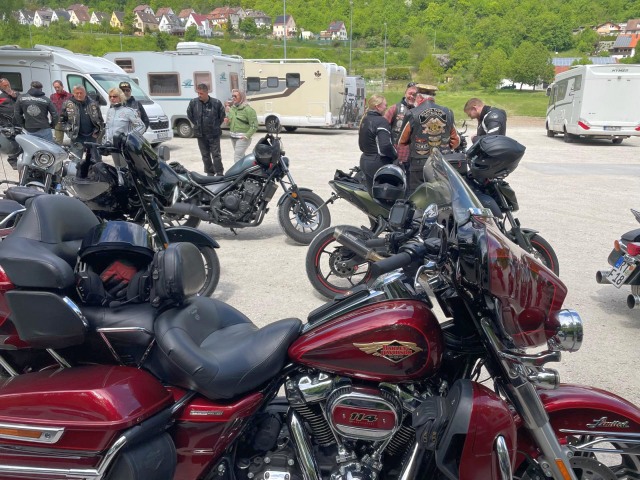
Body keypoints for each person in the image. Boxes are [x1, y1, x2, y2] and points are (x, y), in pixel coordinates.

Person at [398, 84, 459, 193]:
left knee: (417, 196)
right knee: (442, 195)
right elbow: (456, 141)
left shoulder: (412, 113)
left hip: (419, 164)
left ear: (419, 97)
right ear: (433, 97)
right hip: (442, 163)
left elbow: (401, 141)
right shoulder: (448, 112)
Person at [59, 85, 105, 178]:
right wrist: (69, 131)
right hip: (77, 137)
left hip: (92, 137)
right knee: (75, 160)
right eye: (77, 93)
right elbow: (62, 120)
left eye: (81, 93)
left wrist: (97, 131)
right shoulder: (67, 104)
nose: (79, 95)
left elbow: (100, 120)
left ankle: (96, 178)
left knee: (96, 159)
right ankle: (74, 179)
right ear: (73, 93)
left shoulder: (93, 104)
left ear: (85, 93)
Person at [358, 94, 397, 193]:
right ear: (378, 106)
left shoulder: (365, 119)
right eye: (385, 105)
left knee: (373, 195)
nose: (386, 108)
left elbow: (361, 145)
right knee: (388, 195)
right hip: (378, 163)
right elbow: (385, 146)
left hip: (364, 161)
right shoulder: (381, 121)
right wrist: (395, 155)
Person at [187, 83, 226, 176]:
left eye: (201, 93)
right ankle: (210, 172)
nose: (199, 95)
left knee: (216, 155)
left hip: (214, 134)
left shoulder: (216, 103)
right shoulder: (193, 103)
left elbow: (222, 116)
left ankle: (219, 173)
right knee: (205, 155)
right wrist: (197, 124)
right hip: (201, 134)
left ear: (207, 92)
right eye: (198, 93)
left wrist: (215, 125)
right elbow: (190, 115)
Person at [104, 87, 146, 167]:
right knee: (117, 168)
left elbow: (141, 126)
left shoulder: (129, 111)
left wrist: (128, 137)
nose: (112, 98)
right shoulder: (110, 111)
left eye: (115, 96)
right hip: (113, 146)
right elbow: (107, 127)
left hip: (124, 146)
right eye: (110, 96)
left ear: (120, 97)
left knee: (126, 168)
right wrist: (107, 141)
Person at [384, 82, 418, 165]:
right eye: (410, 94)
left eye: (415, 95)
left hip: (415, 157)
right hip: (398, 156)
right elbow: (383, 128)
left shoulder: (421, 111)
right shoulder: (394, 109)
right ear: (405, 93)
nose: (412, 97)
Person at [224, 89, 258, 163]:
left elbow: (254, 126)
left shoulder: (248, 110)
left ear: (242, 97)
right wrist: (227, 122)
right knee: (241, 156)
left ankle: (237, 171)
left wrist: (246, 136)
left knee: (237, 157)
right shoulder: (232, 109)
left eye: (235, 96)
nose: (233, 98)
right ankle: (245, 170)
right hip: (233, 137)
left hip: (243, 138)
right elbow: (229, 123)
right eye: (232, 96)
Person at [0, 78, 19, 169]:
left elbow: (22, 101)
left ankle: (21, 157)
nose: (7, 86)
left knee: (20, 139)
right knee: (11, 141)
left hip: (17, 121)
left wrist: (14, 95)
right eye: (5, 85)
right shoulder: (0, 95)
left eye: (8, 84)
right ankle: (12, 160)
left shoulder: (15, 93)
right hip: (5, 122)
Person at [50, 80, 72, 145]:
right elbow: (51, 109)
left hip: (68, 120)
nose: (57, 89)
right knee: (58, 140)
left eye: (58, 87)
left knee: (73, 138)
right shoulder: (52, 96)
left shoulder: (70, 96)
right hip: (58, 121)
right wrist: (52, 120)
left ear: (62, 86)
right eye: (55, 87)